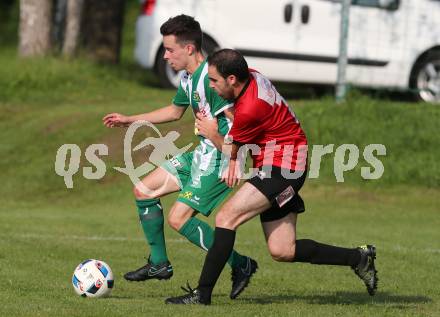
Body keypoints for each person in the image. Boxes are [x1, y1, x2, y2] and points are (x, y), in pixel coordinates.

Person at [165, 49, 378, 305]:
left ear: (232, 79)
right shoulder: (252, 77)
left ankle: (203, 294)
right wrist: (233, 158)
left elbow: (233, 146)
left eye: (213, 81)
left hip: (283, 169)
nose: (211, 86)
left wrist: (212, 133)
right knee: (282, 250)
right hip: (278, 163)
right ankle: (359, 258)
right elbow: (241, 138)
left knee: (226, 217)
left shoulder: (252, 106)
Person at [102, 17, 257, 300]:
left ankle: (241, 265)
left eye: (169, 49)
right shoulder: (189, 78)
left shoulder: (213, 80)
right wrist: (129, 120)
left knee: (178, 219)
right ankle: (159, 264)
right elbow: (174, 112)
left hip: (219, 159)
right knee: (144, 190)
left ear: (188, 48)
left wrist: (234, 158)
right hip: (200, 153)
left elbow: (239, 120)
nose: (165, 55)